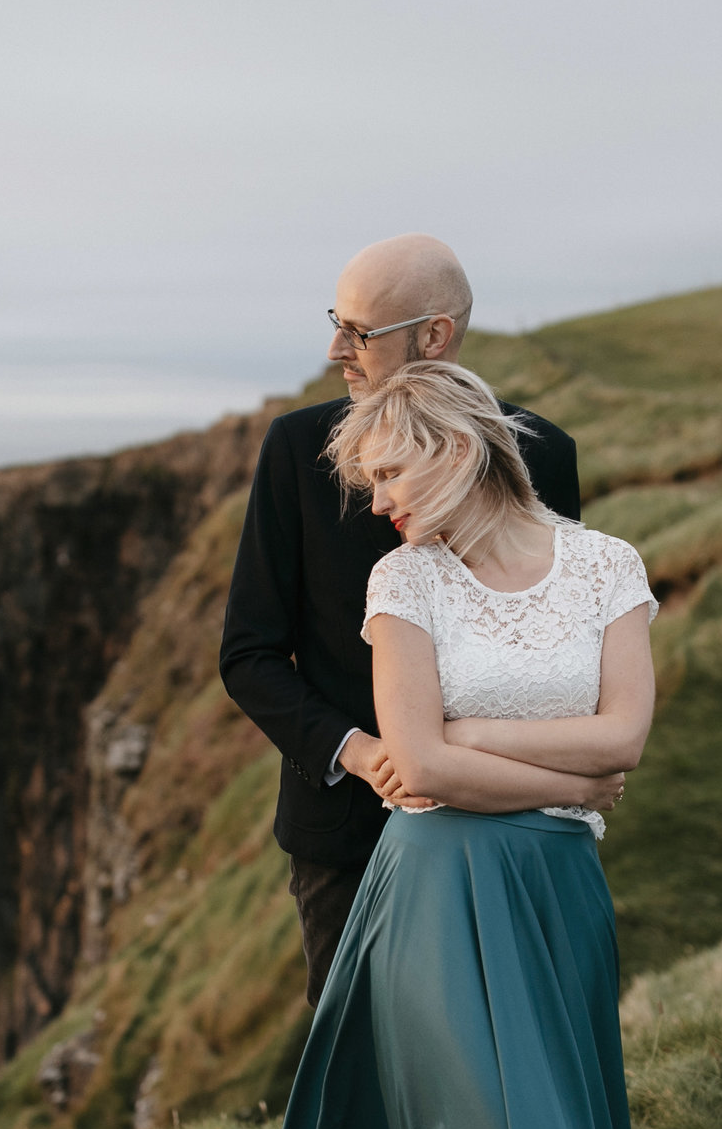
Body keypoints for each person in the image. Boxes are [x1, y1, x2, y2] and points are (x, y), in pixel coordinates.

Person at [192, 362, 698, 1129]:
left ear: (457, 452)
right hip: (429, 884)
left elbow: (625, 741)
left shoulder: (605, 564)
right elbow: (413, 762)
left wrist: (473, 739)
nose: (377, 502)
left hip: (555, 892)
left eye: (388, 475)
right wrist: (524, 759)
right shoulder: (401, 581)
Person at [219, 234, 582, 1008]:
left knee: (493, 1046)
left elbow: (555, 648)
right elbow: (248, 652)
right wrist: (357, 752)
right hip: (345, 838)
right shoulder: (295, 451)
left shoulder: (541, 455)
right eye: (336, 322)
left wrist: (475, 761)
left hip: (507, 825)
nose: (334, 349)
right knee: (363, 1063)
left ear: (435, 335)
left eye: (359, 332)